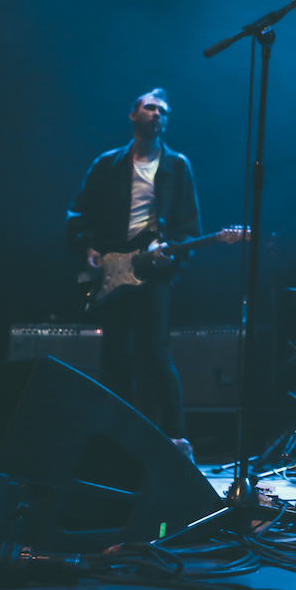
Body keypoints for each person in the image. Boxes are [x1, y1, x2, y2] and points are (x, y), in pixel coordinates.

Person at [66, 88, 200, 461]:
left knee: (155, 350)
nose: (158, 114)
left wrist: (171, 256)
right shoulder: (108, 164)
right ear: (133, 114)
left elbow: (189, 228)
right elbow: (78, 214)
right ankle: (115, 436)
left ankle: (176, 437)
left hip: (153, 271)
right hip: (113, 270)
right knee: (114, 354)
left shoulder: (178, 166)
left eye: (163, 111)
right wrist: (89, 249)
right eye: (151, 108)